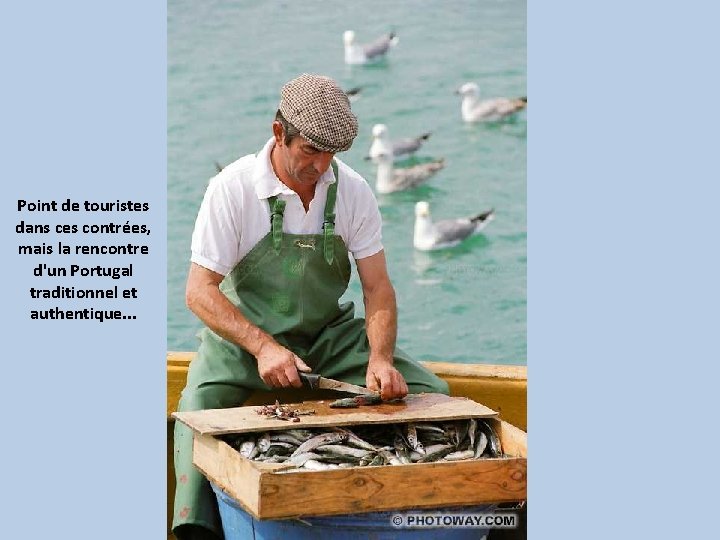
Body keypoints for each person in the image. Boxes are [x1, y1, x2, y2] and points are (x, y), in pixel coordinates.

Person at [173, 73, 449, 540]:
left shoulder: (354, 191)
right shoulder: (232, 188)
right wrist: (262, 347)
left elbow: (378, 288)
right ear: (279, 133)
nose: (321, 166)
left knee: (433, 393)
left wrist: (380, 358)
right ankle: (196, 531)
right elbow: (199, 291)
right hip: (243, 343)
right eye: (310, 151)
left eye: (331, 154)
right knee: (195, 410)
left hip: (328, 337)